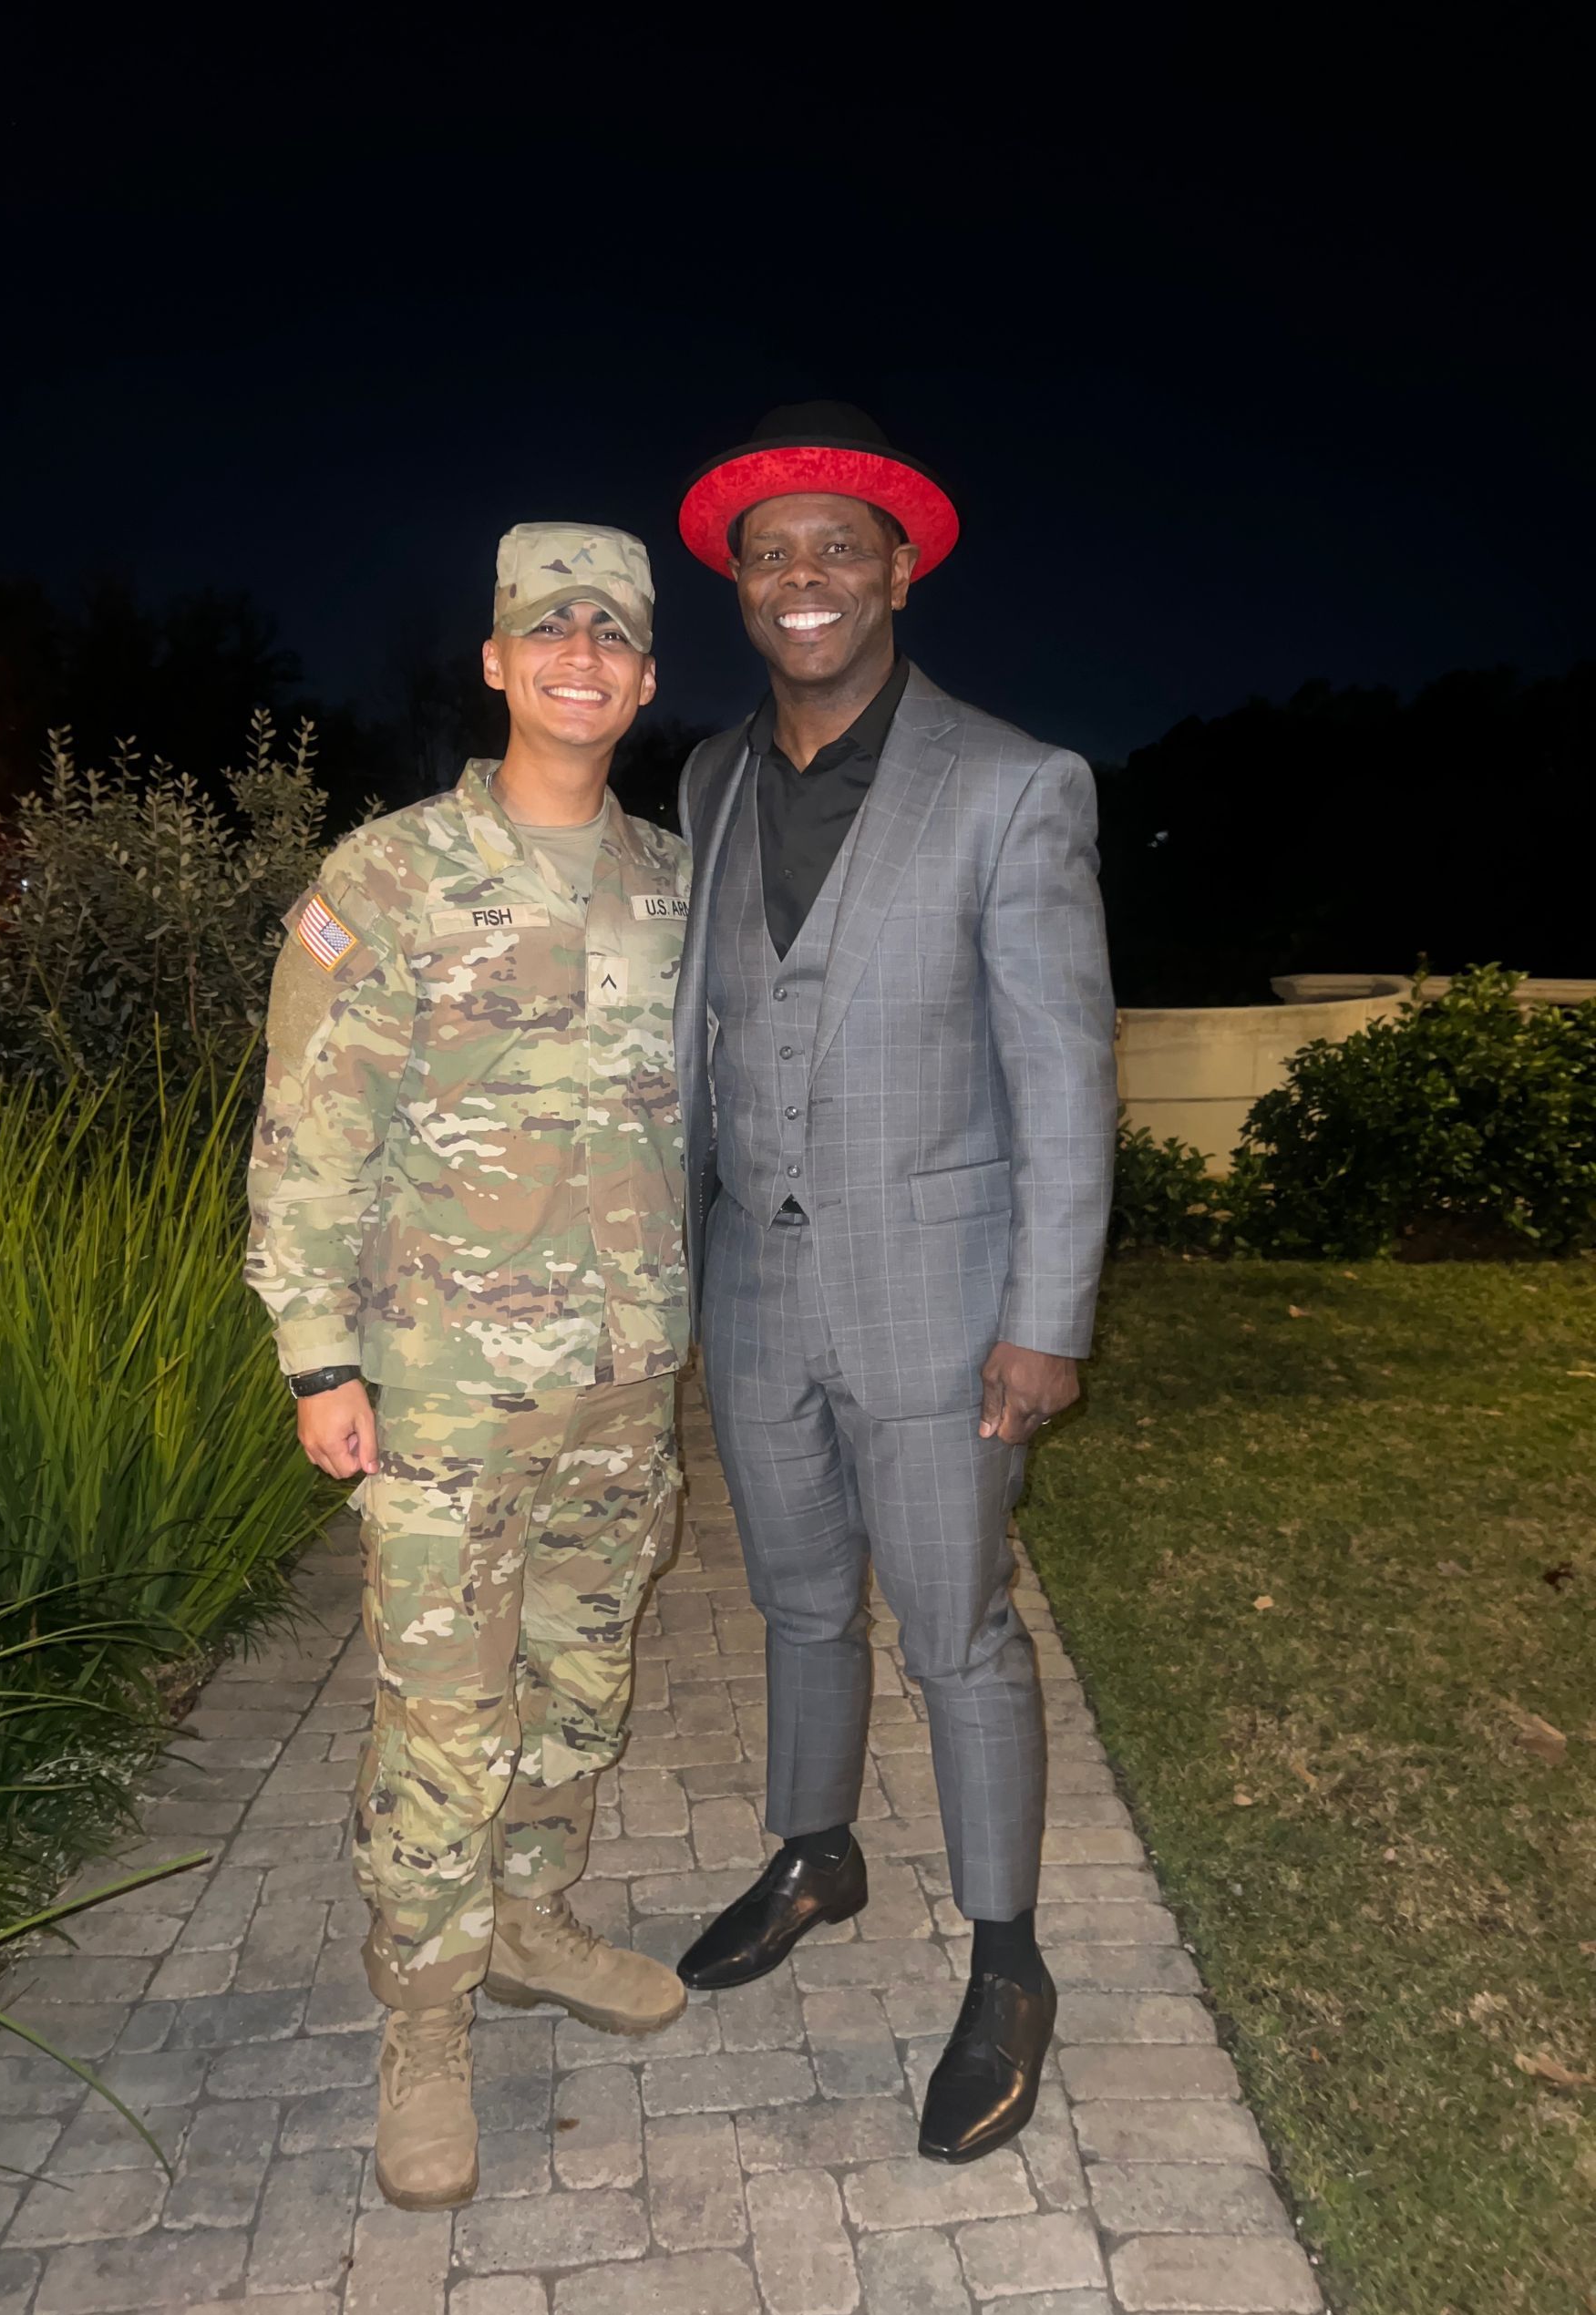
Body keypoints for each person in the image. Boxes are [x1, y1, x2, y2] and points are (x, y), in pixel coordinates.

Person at [670, 405, 1117, 2164]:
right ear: (740, 580)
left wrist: (1047, 1319)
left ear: (899, 569)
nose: (804, 578)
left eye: (838, 547)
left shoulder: (1014, 784)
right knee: (792, 1606)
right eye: (771, 551)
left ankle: (1008, 1964)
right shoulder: (706, 782)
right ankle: (814, 1851)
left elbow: (1065, 1074)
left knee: (958, 1639)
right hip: (753, 1299)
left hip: (942, 1303)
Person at [246, 522, 691, 2212]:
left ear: (646, 680)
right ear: (498, 664)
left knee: (582, 1684)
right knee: (449, 1716)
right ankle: (423, 2021)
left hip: (625, 1377)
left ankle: (530, 1923)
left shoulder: (672, 880)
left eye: (616, 635)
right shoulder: (393, 877)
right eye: (547, 629)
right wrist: (316, 1358)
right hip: (438, 1389)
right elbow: (311, 1131)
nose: (582, 653)